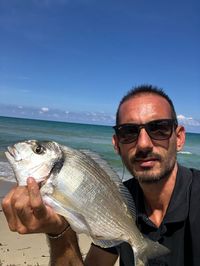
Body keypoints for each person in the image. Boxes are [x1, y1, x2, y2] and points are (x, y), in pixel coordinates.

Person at [2, 84, 200, 266]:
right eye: (129, 132)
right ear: (116, 144)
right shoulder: (118, 199)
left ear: (180, 137)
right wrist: (59, 231)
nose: (144, 144)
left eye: (159, 128)